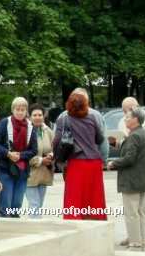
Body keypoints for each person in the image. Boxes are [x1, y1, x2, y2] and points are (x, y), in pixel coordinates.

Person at [110, 97, 145, 248]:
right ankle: (134, 235)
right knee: (134, 207)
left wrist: (132, 140)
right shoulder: (123, 121)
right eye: (124, 111)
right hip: (130, 166)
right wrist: (118, 142)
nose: (125, 114)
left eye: (128, 111)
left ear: (136, 108)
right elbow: (125, 144)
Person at [53, 91, 107, 221]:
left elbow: (57, 141)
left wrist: (58, 159)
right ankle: (96, 224)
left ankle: (75, 226)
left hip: (77, 163)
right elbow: (100, 139)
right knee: (95, 198)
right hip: (94, 162)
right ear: (85, 104)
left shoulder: (64, 119)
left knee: (74, 198)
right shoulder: (92, 118)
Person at [0, 97, 38, 217]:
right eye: (17, 109)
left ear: (26, 111)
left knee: (17, 204)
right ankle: (2, 231)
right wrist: (8, 154)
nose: (20, 112)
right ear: (13, 110)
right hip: (5, 168)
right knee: (5, 203)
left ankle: (13, 228)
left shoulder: (30, 126)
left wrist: (20, 156)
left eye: (22, 110)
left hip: (22, 170)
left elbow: (34, 150)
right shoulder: (4, 123)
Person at [54, 87, 109, 161]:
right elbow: (102, 141)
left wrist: (58, 159)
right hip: (94, 160)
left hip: (73, 160)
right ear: (86, 101)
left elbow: (56, 141)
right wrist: (103, 159)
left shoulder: (63, 117)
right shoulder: (95, 116)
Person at [26, 103, 54, 218]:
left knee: (39, 205)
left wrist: (51, 155)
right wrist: (41, 160)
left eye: (40, 115)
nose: (37, 117)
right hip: (30, 175)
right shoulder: (26, 132)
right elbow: (24, 154)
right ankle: (35, 231)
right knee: (34, 205)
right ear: (29, 117)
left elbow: (54, 147)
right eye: (34, 115)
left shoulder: (48, 131)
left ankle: (36, 228)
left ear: (44, 116)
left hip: (44, 174)